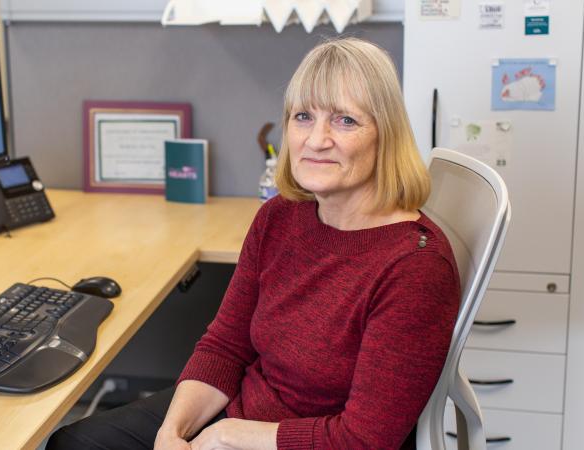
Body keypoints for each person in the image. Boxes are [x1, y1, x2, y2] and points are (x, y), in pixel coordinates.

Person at [48, 37, 460, 450]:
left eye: (345, 121)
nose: (316, 139)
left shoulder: (415, 267)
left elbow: (364, 440)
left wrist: (228, 436)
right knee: (75, 443)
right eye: (303, 116)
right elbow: (227, 345)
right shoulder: (280, 217)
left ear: (385, 136)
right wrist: (171, 433)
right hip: (245, 412)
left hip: (313, 441)